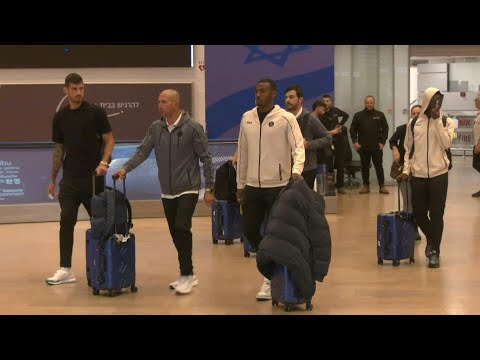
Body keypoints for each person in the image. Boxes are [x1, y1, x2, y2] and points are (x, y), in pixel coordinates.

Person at [113, 89, 215, 294]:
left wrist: (210, 188)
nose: (160, 105)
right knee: (175, 231)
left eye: (164, 101)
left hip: (188, 187)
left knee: (182, 227)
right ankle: (188, 274)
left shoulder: (193, 128)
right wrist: (125, 168)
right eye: (159, 101)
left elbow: (206, 158)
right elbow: (142, 152)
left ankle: (187, 274)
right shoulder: (155, 128)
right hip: (167, 190)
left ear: (176, 104)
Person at [236, 78, 305, 301]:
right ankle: (271, 264)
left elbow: (299, 147)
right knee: (249, 230)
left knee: (276, 232)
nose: (258, 94)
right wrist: (240, 185)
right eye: (256, 91)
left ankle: (270, 279)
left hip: (278, 186)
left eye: (263, 91)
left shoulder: (286, 118)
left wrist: (296, 171)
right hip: (253, 187)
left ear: (273, 94)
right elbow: (243, 152)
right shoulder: (247, 118)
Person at [46, 73, 114, 285]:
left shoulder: (96, 113)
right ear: (65, 90)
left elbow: (109, 140)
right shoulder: (60, 117)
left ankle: (106, 264)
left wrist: (104, 163)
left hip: (93, 179)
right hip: (70, 180)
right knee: (66, 220)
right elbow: (59, 149)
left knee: (101, 224)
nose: (78, 93)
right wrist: (52, 178)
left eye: (81, 89)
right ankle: (66, 269)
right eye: (74, 89)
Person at [397, 87, 454, 268]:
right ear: (427, 101)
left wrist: (437, 121)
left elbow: (446, 143)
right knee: (419, 214)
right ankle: (433, 240)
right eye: (434, 101)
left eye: (439, 102)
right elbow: (408, 150)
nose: (436, 105)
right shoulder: (413, 123)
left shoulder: (447, 121)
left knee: (437, 214)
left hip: (439, 175)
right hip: (418, 175)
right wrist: (406, 170)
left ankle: (434, 252)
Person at [284, 85, 332, 189]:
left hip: (307, 168)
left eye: (291, 97)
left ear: (300, 99)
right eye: (286, 97)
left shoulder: (310, 118)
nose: (288, 100)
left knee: (304, 202)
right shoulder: (283, 118)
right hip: (287, 168)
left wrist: (308, 144)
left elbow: (328, 138)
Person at [389, 105, 422, 240]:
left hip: (420, 171)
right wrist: (395, 150)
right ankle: (411, 229)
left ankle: (416, 227)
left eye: (418, 113)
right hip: (404, 170)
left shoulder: (425, 131)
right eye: (413, 113)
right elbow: (392, 140)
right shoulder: (403, 128)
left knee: (418, 202)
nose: (415, 115)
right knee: (407, 201)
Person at [350, 95, 389, 194]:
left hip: (376, 146)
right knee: (365, 167)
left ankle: (382, 186)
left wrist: (382, 142)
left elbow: (385, 129)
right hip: (363, 147)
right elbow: (352, 130)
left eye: (371, 102)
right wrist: (355, 142)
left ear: (374, 103)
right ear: (364, 103)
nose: (369, 104)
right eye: (367, 102)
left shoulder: (380, 115)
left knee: (379, 166)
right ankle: (366, 186)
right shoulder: (358, 115)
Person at [318, 95, 350, 194]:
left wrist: (340, 125)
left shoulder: (335, 111)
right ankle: (329, 184)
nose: (325, 103)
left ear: (330, 102)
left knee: (340, 162)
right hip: (326, 141)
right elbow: (319, 130)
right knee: (328, 158)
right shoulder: (321, 114)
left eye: (327, 101)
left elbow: (346, 115)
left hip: (338, 140)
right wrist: (331, 132)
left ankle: (340, 186)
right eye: (324, 101)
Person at [472, 94, 480, 197]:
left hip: (479, 144)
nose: (475, 102)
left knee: (477, 164)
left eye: (476, 100)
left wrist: (479, 145)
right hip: (477, 143)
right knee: (476, 164)